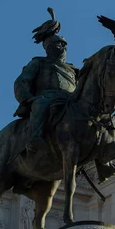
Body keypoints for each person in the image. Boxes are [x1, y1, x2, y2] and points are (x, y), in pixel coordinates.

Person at [14, 8, 78, 156]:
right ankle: (35, 138)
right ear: (49, 48)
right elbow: (21, 82)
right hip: (47, 97)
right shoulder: (39, 63)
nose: (63, 47)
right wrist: (28, 98)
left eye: (64, 44)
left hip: (70, 99)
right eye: (59, 44)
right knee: (40, 104)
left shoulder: (74, 69)